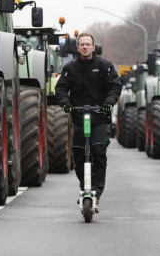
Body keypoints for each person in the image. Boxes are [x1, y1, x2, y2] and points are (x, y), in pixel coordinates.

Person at [55, 32, 122, 204]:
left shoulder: (104, 66)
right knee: (79, 154)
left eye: (88, 44)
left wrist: (109, 103)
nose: (85, 47)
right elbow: (61, 88)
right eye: (82, 44)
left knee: (98, 151)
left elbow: (115, 86)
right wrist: (65, 104)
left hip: (99, 117)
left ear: (94, 47)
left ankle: (96, 191)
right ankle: (86, 186)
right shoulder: (70, 68)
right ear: (77, 48)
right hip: (79, 118)